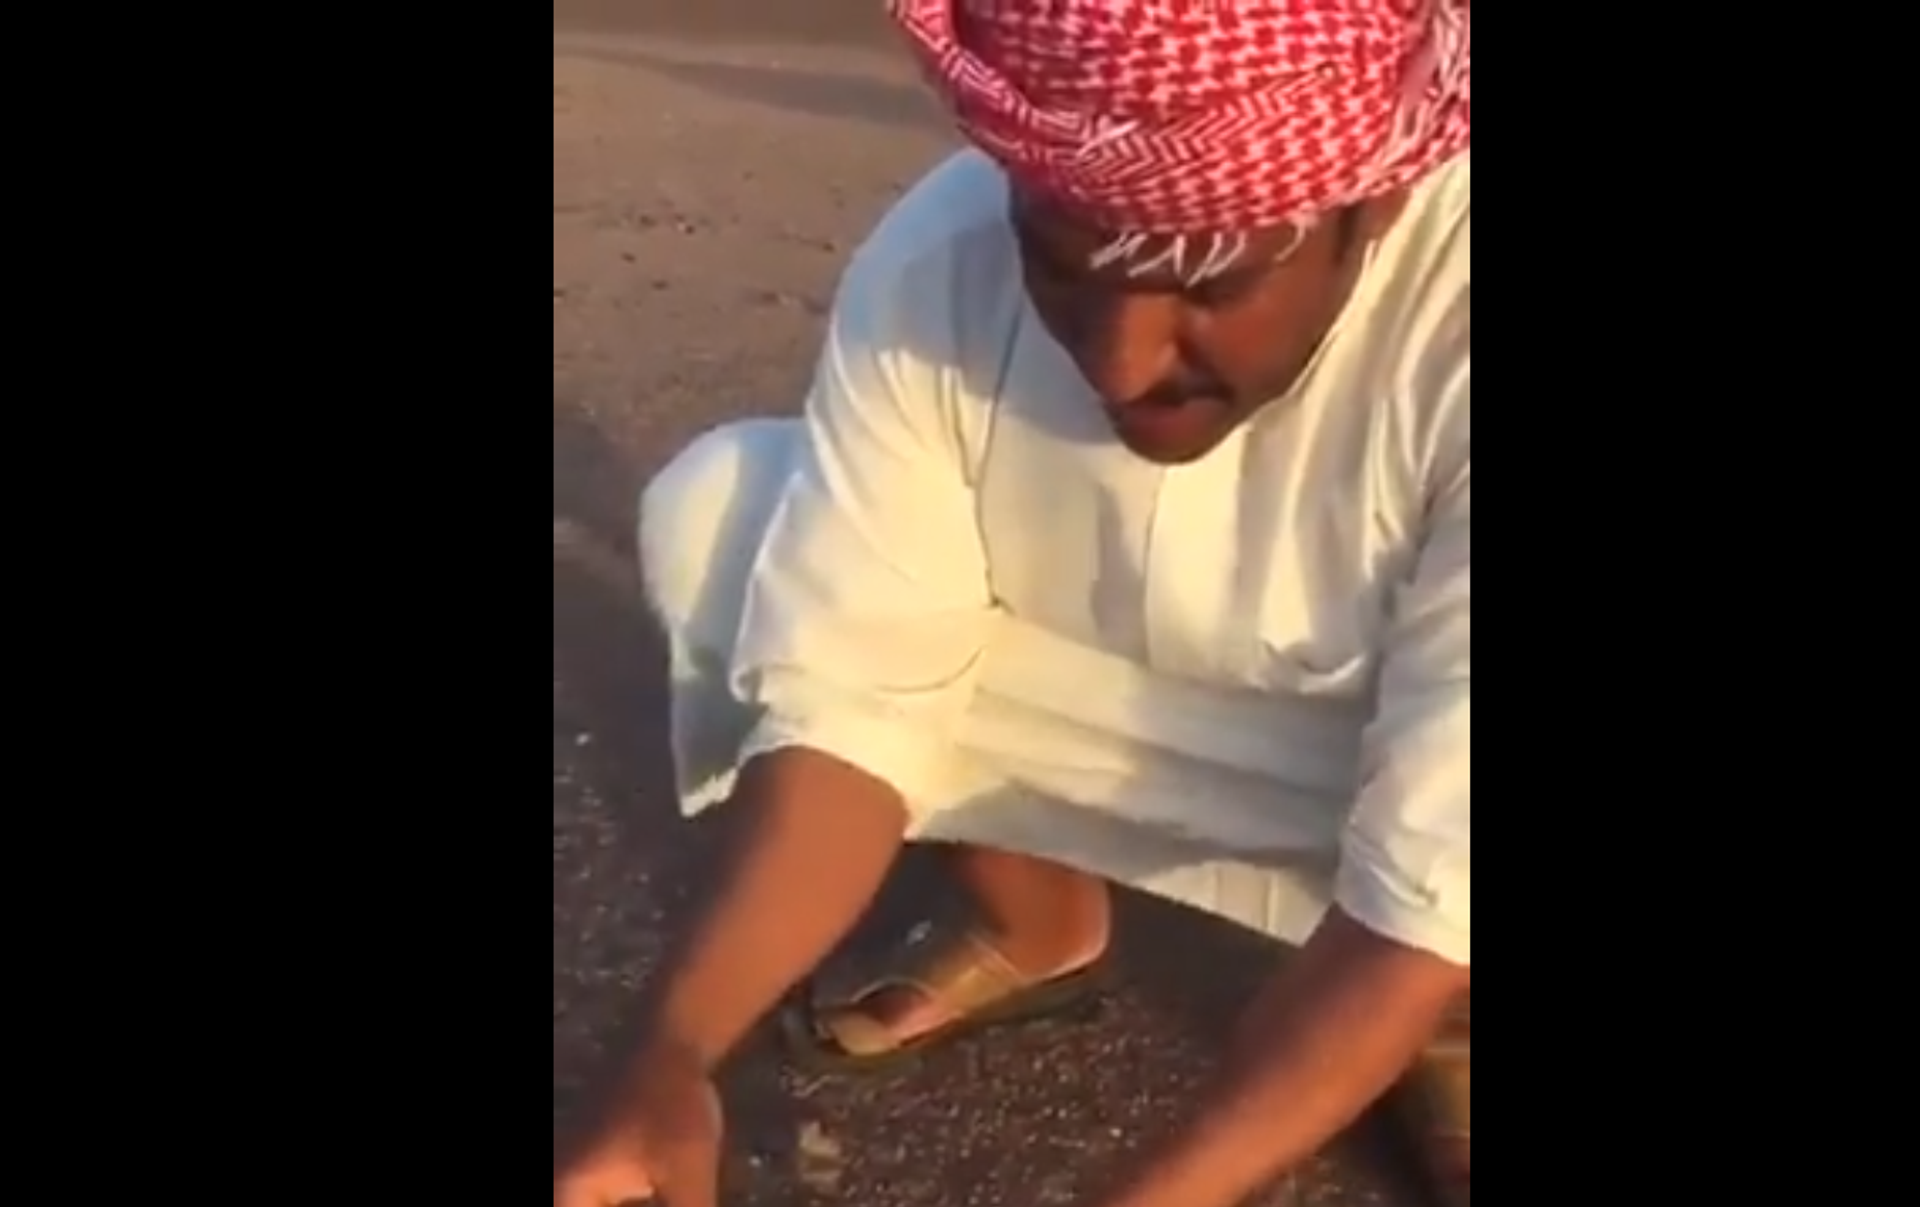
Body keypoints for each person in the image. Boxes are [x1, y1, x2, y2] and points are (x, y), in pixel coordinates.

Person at [555, 0, 1470, 1204]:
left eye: (1211, 281)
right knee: (728, 516)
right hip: (1187, 711)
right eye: (1065, 266)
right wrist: (669, 1054)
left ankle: (1442, 1005)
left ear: (1380, 199)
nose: (1121, 360)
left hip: (1408, 756)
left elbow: (1444, 831)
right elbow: (855, 698)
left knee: (1442, 876)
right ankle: (1034, 923)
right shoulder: (943, 258)